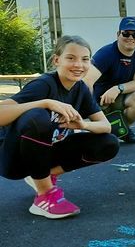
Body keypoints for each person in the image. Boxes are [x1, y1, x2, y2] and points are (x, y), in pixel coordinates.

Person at [0, 35, 119, 219]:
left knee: (108, 143)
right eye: (71, 58)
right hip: (13, 158)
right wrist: (45, 103)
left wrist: (83, 124)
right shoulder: (43, 84)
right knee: (37, 116)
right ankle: (44, 196)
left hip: (43, 155)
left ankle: (41, 177)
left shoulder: (80, 89)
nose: (78, 64)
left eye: (85, 59)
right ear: (57, 60)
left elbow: (106, 126)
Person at [83, 17, 135, 144]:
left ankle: (121, 129)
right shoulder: (106, 53)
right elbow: (87, 82)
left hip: (119, 97)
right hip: (100, 101)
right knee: (102, 139)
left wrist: (117, 88)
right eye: (126, 33)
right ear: (118, 34)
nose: (131, 38)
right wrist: (92, 109)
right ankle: (103, 128)